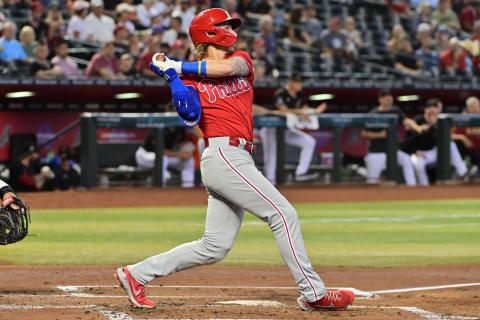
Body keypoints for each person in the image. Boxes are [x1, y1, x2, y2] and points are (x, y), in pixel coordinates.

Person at [114, 8, 354, 312]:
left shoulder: (240, 60)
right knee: (283, 214)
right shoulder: (187, 80)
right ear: (209, 32)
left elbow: (230, 70)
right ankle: (313, 292)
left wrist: (176, 65)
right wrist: (173, 77)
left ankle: (136, 274)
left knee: (214, 246)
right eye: (224, 25)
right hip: (222, 153)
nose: (231, 29)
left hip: (238, 157)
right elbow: (189, 116)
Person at [261, 72, 326, 184]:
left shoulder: (300, 94)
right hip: (271, 129)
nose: (299, 85)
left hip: (287, 130)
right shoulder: (281, 93)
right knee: (271, 155)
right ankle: (270, 182)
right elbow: (283, 109)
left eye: (300, 82)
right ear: (290, 82)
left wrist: (314, 111)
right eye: (297, 82)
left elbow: (304, 107)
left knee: (309, 142)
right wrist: (300, 112)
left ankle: (300, 173)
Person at [362, 89, 424, 186]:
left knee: (406, 159)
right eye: (386, 97)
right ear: (380, 100)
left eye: (389, 97)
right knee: (372, 181)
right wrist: (380, 135)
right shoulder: (373, 114)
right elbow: (364, 134)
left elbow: (406, 120)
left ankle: (411, 186)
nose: (388, 99)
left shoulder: (395, 110)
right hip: (377, 152)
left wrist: (417, 127)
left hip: (392, 151)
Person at [407, 99, 468, 185]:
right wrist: (415, 151)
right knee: (419, 165)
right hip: (419, 152)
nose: (432, 113)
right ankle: (424, 186)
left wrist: (434, 126)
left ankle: (463, 172)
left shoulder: (439, 122)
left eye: (434, 111)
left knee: (450, 145)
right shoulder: (417, 121)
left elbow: (446, 138)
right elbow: (408, 140)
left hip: (434, 151)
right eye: (430, 110)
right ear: (425, 110)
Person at [452, 96, 480, 174]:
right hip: (469, 152)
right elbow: (449, 135)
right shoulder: (463, 119)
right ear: (468, 109)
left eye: (477, 106)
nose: (476, 109)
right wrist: (462, 137)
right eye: (472, 107)